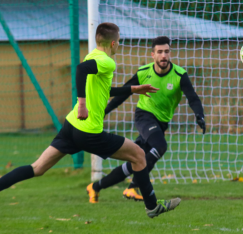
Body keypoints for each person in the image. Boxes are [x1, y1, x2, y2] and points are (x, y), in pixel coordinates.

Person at [0, 24, 181, 218]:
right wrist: (82, 104)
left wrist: (133, 89)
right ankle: (152, 206)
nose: (118, 45)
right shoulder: (108, 62)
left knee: (37, 168)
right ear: (113, 43)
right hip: (88, 132)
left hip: (71, 127)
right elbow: (80, 70)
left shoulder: (93, 55)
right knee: (138, 155)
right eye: (118, 42)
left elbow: (103, 90)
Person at [87, 36, 205, 201]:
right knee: (160, 146)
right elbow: (123, 93)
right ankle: (133, 187)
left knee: (134, 161)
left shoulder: (179, 75)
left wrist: (199, 114)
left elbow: (193, 98)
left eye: (166, 51)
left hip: (161, 123)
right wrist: (104, 111)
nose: (164, 55)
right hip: (144, 116)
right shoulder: (144, 72)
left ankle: (95, 187)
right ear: (153, 55)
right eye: (159, 52)